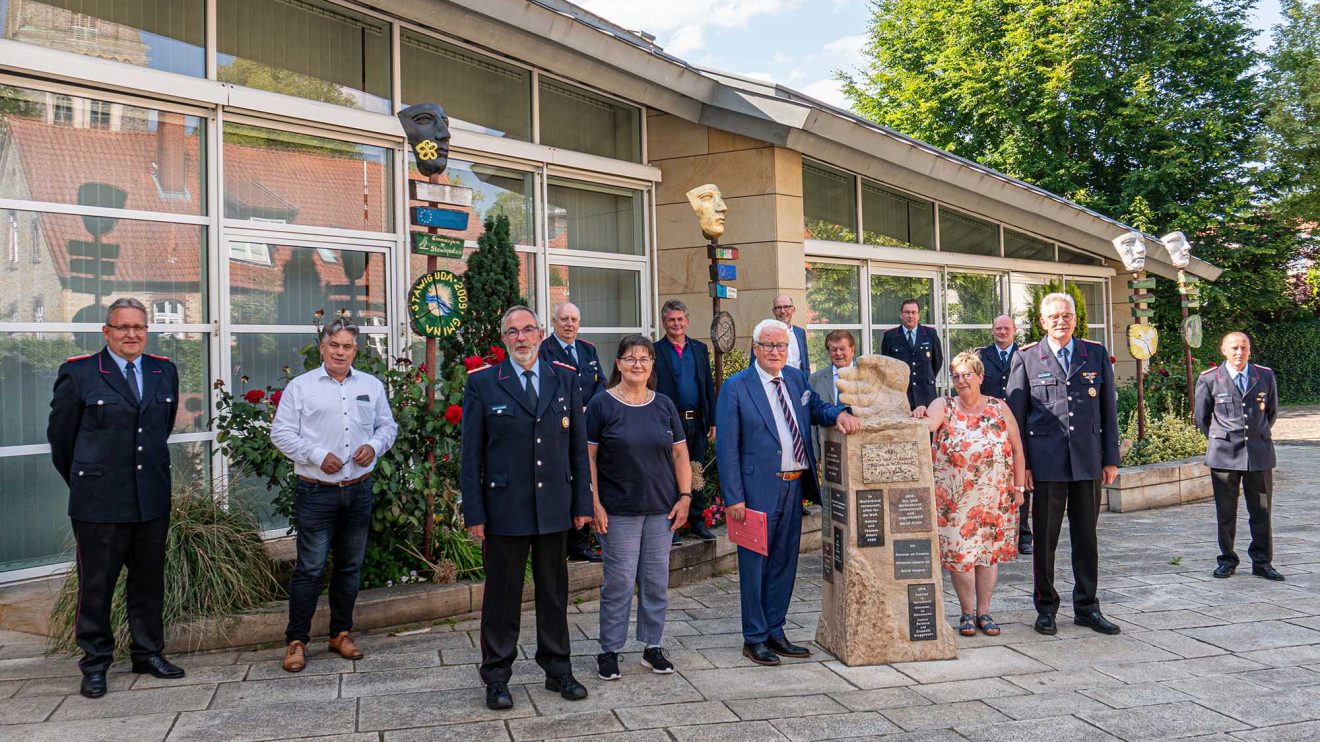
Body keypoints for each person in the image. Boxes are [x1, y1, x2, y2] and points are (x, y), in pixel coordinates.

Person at [47, 298, 185, 699]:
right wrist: (88, 481)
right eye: (122, 327)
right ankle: (95, 663)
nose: (132, 334)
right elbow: (61, 440)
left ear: (147, 331)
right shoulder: (80, 373)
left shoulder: (164, 370)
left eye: (139, 327)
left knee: (148, 583)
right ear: (106, 332)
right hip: (99, 503)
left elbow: (161, 428)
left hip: (150, 500)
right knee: (97, 586)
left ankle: (147, 653)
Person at [461, 306, 593, 711]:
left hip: (555, 504)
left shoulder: (564, 379)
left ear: (540, 334)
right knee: (503, 597)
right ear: (503, 339)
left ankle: (558, 669)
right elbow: (471, 457)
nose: (521, 338)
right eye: (512, 332)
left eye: (528, 330)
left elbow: (577, 448)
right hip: (506, 508)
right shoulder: (484, 383)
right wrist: (475, 513)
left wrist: (582, 503)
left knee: (554, 593)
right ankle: (497, 676)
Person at [716, 319, 861, 666]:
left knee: (784, 562)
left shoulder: (796, 379)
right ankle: (754, 638)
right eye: (768, 345)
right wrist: (733, 497)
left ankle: (775, 630)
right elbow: (727, 447)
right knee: (755, 566)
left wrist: (839, 413)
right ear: (755, 348)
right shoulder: (736, 387)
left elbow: (815, 410)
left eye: (781, 346)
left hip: (793, 485)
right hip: (754, 491)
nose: (775, 352)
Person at [271, 317, 398, 673]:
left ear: (355, 350)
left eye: (347, 346)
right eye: (334, 345)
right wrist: (314, 455)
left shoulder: (370, 385)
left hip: (358, 491)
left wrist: (374, 446)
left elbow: (387, 426)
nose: (340, 352)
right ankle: (296, 640)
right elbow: (280, 433)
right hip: (316, 492)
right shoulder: (302, 387)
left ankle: (340, 633)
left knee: (349, 567)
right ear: (322, 346)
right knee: (310, 569)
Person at [1006, 293, 1121, 637]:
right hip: (1046, 464)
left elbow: (1107, 413)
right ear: (1043, 322)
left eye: (1067, 316)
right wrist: (1022, 465)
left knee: (1086, 539)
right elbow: (1016, 416)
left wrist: (1110, 458)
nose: (1061, 321)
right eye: (1054, 316)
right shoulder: (1027, 358)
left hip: (1087, 461)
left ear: (1075, 319)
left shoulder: (1095, 354)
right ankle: (1046, 608)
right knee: (1045, 541)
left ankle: (1087, 607)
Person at [588, 336, 692, 680]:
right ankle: (609, 649)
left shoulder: (663, 405)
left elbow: (680, 454)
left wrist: (685, 496)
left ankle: (652, 646)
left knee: (655, 580)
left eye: (644, 359)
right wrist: (594, 503)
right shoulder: (602, 405)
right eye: (630, 358)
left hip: (661, 509)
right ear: (618, 364)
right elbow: (588, 457)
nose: (637, 364)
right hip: (618, 510)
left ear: (652, 365)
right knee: (618, 581)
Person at [917, 352, 1026, 637]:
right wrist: (918, 414)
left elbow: (1016, 448)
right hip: (954, 502)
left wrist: (1019, 488)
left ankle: (984, 612)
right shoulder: (944, 405)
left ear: (980, 376)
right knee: (960, 556)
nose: (961, 380)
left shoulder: (999, 407)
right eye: (956, 376)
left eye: (967, 374)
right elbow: (926, 426)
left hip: (995, 498)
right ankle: (966, 613)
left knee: (987, 557)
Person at [1194, 332, 1283, 581]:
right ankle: (1227, 560)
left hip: (1259, 454)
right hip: (1224, 455)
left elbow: (1271, 413)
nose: (1239, 352)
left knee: (1261, 511)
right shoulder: (1210, 378)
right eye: (1234, 347)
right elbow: (1202, 418)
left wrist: (1257, 435)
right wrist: (1221, 438)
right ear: (1223, 350)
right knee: (1226, 511)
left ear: (1249, 350)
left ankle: (1262, 562)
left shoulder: (1264, 375)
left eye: (1244, 347)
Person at [540, 301, 606, 563]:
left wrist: (593, 406)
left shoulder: (588, 349)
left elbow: (601, 382)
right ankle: (563, 543)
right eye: (564, 319)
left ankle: (581, 544)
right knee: (564, 482)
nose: (569, 324)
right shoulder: (545, 350)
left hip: (588, 425)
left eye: (574, 320)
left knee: (585, 480)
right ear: (554, 322)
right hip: (559, 428)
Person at [653, 300, 718, 544]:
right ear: (664, 322)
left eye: (680, 320)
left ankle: (697, 521)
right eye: (672, 320)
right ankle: (674, 525)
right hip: (669, 422)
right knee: (670, 472)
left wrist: (712, 419)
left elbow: (708, 386)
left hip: (697, 420)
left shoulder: (699, 349)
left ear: (687, 321)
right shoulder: (655, 350)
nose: (677, 324)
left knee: (696, 470)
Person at [977, 315, 1033, 555]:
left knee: (1022, 478)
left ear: (1014, 330)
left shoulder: (1027, 354)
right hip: (991, 426)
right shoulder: (981, 356)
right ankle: (991, 531)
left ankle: (1023, 535)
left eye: (1006, 328)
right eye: (998, 328)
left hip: (1020, 423)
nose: (1002, 332)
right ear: (992, 330)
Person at [880, 299, 943, 411]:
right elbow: (886, 366)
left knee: (928, 427)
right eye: (907, 312)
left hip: (926, 394)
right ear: (901, 315)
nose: (910, 316)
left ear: (918, 315)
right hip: (901, 396)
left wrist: (926, 377)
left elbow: (937, 361)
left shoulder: (930, 334)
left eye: (914, 312)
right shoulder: (890, 336)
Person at [809, 329, 855, 456]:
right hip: (828, 449)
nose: (838, 353)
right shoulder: (815, 379)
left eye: (842, 349)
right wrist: (815, 452)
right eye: (833, 350)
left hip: (857, 445)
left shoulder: (866, 377)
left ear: (852, 350)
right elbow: (811, 419)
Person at [769, 294, 811, 375]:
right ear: (773, 311)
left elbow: (805, 364)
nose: (783, 311)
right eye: (778, 308)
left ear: (793, 309)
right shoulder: (765, 334)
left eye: (786, 307)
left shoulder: (800, 333)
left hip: (799, 384)